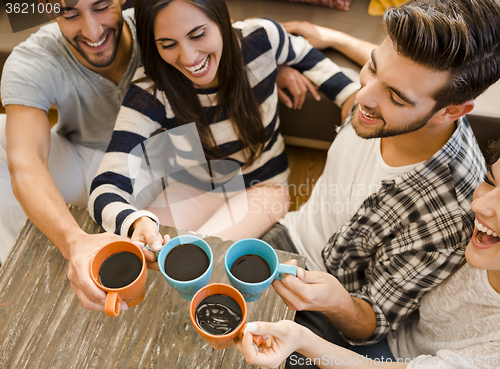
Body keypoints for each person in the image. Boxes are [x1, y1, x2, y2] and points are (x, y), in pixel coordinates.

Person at [0, 0, 314, 311]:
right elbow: (25, 164)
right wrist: (72, 240)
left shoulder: (160, 25)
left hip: (160, 159)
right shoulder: (33, 59)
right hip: (87, 155)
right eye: (69, 13)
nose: (92, 30)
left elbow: (229, 36)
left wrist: (272, 68)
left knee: (163, 253)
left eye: (100, 7)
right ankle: (16, 274)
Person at [257, 0, 500, 364]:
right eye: (372, 67)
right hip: (290, 234)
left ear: (452, 111)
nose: (364, 96)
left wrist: (335, 301)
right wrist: (321, 42)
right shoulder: (387, 101)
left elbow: (371, 324)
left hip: (331, 307)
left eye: (396, 96)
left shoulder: (449, 217)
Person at [87, 0, 359, 244]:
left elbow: (322, 68)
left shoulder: (261, 37)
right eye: (168, 45)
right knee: (141, 249)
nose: (190, 57)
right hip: (193, 185)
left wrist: (349, 102)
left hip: (264, 187)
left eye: (198, 35)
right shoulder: (150, 90)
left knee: (198, 255)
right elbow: (106, 186)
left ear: (220, 19)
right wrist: (135, 222)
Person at [237, 139, 500, 369]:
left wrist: (304, 339)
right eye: (490, 181)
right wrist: (338, 302)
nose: (478, 205)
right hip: (393, 329)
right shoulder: (482, 238)